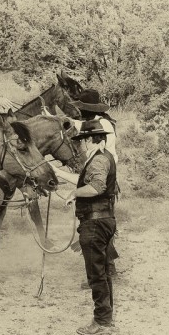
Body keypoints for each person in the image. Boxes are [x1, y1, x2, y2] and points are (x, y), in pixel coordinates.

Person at [56, 119, 118, 335]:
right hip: (102, 220)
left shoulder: (99, 160)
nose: (81, 145)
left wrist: (75, 193)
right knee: (102, 272)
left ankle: (101, 322)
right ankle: (106, 319)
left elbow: (96, 187)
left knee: (96, 275)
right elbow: (88, 183)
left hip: (95, 223)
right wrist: (58, 174)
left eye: (83, 141)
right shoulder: (100, 158)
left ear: (92, 140)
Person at [67, 89, 119, 282]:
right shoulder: (101, 122)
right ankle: (106, 270)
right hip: (106, 171)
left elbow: (78, 125)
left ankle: (105, 272)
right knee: (101, 221)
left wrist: (75, 191)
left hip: (103, 174)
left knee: (97, 221)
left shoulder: (99, 126)